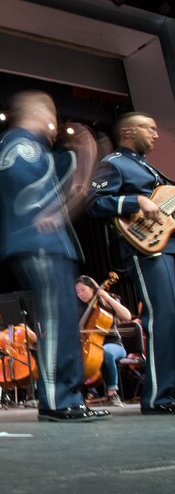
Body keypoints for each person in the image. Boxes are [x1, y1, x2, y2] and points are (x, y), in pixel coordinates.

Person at [0, 90, 108, 422]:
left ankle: (67, 397)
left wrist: (83, 163)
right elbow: (32, 189)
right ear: (41, 114)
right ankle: (57, 400)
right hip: (38, 243)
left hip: (50, 246)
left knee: (65, 321)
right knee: (55, 322)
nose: (55, 126)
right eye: (51, 114)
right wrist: (82, 159)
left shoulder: (36, 149)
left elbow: (67, 183)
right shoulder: (20, 144)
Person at [87, 112, 175, 414]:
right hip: (147, 248)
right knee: (164, 315)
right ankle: (158, 397)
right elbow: (95, 203)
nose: (156, 134)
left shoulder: (150, 168)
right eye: (149, 128)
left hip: (170, 244)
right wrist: (135, 201)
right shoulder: (114, 163)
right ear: (127, 131)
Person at [75, 275, 131, 407]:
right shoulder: (82, 310)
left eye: (83, 290)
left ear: (92, 288)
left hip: (114, 346)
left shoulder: (106, 304)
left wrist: (107, 297)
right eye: (77, 292)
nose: (80, 294)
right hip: (92, 346)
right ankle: (86, 394)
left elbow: (127, 316)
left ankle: (112, 394)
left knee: (105, 353)